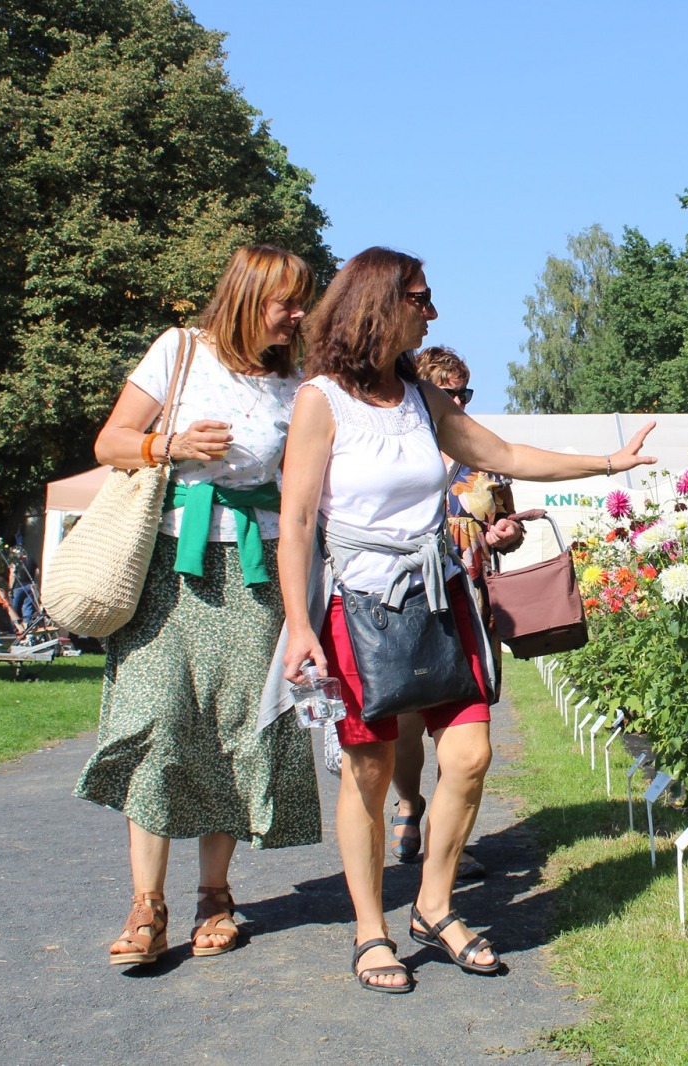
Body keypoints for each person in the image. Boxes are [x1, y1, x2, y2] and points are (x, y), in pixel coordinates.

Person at [277, 247, 654, 994]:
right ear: (381, 304)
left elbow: (505, 452)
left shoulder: (420, 395)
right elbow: (294, 523)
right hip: (362, 600)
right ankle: (369, 930)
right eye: (421, 296)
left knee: (471, 755)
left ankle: (435, 904)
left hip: (439, 591)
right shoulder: (321, 400)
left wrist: (609, 464)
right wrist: (299, 624)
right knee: (370, 770)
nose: (433, 310)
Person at [75, 244, 321, 967]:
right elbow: (109, 439)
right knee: (155, 721)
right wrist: (169, 443)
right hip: (167, 569)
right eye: (289, 302)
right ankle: (145, 906)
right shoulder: (179, 351)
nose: (299, 315)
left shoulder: (298, 382)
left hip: (257, 574)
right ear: (249, 297)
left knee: (237, 727)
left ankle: (215, 895)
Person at [388, 345, 523, 880]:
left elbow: (508, 526)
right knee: (403, 725)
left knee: (462, 734)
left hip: (468, 606)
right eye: (448, 389)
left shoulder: (479, 458)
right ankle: (410, 804)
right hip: (407, 603)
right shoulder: (397, 452)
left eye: (464, 390)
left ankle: (448, 847)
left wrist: (506, 534)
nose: (459, 399)